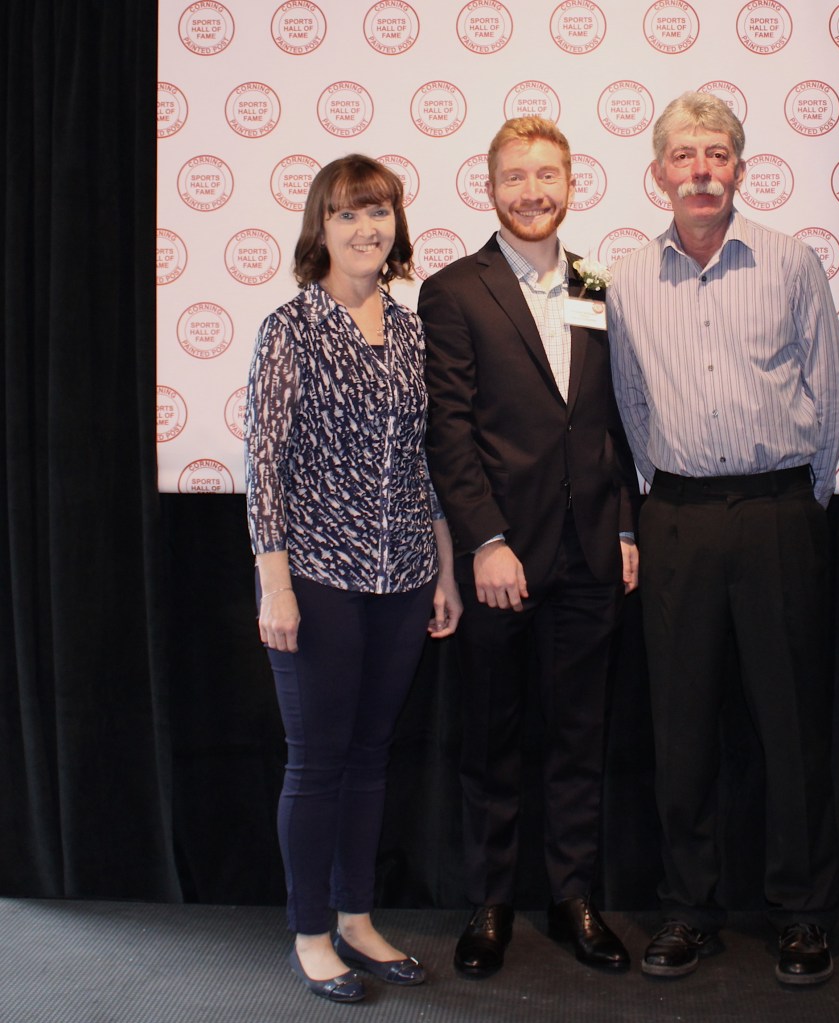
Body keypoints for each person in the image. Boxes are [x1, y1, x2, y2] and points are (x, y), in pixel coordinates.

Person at [607, 91, 839, 986]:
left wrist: (798, 499)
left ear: (739, 170)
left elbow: (831, 389)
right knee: (679, 726)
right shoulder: (625, 281)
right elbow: (629, 403)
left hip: (776, 512)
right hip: (676, 516)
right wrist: (659, 500)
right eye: (684, 155)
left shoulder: (790, 261)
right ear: (658, 173)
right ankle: (688, 908)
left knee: (789, 722)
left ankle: (800, 910)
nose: (701, 170)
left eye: (716, 154)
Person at [418, 117, 640, 976]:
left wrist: (623, 524)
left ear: (571, 183)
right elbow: (449, 428)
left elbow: (614, 418)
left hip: (589, 555)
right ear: (489, 188)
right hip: (499, 559)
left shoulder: (597, 283)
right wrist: (484, 539)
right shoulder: (452, 290)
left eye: (546, 175)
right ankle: (491, 902)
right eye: (514, 177)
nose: (532, 191)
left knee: (580, 737)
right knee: (492, 737)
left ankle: (574, 897)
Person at [244, 154, 461, 1004]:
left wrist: (442, 566)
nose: (366, 228)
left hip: (403, 574)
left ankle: (358, 919)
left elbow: (423, 461)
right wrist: (275, 583)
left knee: (371, 757)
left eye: (379, 212)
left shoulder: (410, 330)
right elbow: (264, 464)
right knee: (317, 762)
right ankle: (310, 934)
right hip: (316, 576)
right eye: (347, 214)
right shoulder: (290, 327)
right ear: (320, 229)